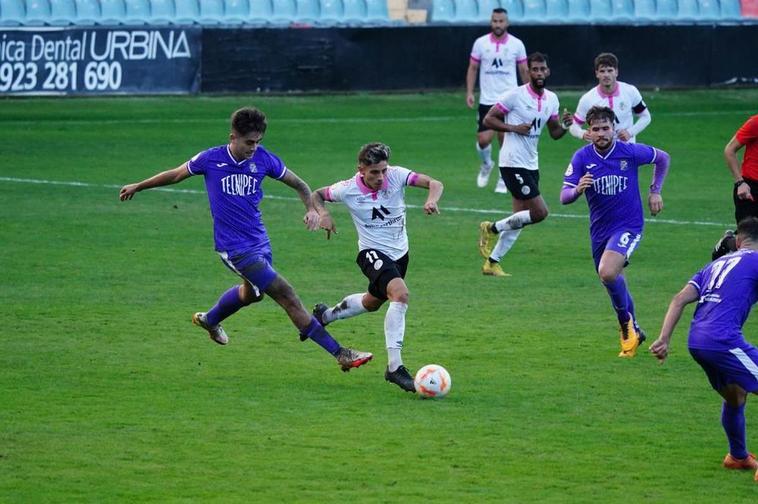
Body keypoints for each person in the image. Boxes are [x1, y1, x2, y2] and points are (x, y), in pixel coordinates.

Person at [119, 107, 373, 372]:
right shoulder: (210, 159)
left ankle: (210, 320)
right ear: (233, 137)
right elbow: (175, 174)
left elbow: (300, 184)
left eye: (258, 142)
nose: (254, 147)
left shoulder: (264, 160)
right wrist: (140, 185)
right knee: (286, 295)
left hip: (260, 241)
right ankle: (340, 352)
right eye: (249, 142)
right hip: (235, 249)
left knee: (252, 294)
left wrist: (312, 209)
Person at [310, 143, 444, 393]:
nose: (380, 177)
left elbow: (435, 183)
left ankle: (324, 315)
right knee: (400, 294)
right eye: (374, 172)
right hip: (371, 253)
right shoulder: (347, 189)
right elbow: (316, 194)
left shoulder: (397, 175)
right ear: (361, 169)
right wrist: (323, 214)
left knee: (373, 302)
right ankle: (395, 368)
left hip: (400, 255)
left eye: (383, 170)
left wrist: (431, 200)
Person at [650, 217, 758, 481]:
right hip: (723, 340)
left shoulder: (714, 264)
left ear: (739, 240)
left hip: (697, 341)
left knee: (735, 396)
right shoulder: (755, 260)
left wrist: (664, 339)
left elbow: (679, 299)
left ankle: (737, 457)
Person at [560, 105, 670, 357]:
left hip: (628, 226)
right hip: (599, 231)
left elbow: (663, 158)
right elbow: (564, 196)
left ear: (614, 129)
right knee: (610, 277)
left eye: (606, 128)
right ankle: (635, 331)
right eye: (596, 129)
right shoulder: (581, 158)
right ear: (589, 131)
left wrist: (655, 190)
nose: (601, 133)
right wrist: (577, 189)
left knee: (608, 272)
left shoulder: (629, 152)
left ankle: (625, 327)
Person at [477, 52, 573, 277]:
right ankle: (490, 228)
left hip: (531, 163)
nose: (539, 73)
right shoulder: (514, 95)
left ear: (547, 71)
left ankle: (492, 263)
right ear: (528, 72)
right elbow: (488, 119)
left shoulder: (552, 99)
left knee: (517, 219)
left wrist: (566, 126)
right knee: (539, 212)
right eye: (535, 69)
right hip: (511, 162)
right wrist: (513, 128)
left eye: (543, 69)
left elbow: (554, 132)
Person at [465, 7, 529, 193]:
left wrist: (527, 95)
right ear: (491, 22)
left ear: (507, 23)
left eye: (501, 21)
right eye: (495, 21)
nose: (498, 24)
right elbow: (473, 68)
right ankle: (486, 164)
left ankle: (503, 176)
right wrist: (470, 92)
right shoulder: (480, 43)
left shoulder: (517, 44)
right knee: (483, 140)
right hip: (487, 100)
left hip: (509, 100)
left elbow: (524, 71)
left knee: (505, 140)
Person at [569, 52, 651, 144]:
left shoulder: (630, 91)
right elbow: (574, 126)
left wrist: (630, 132)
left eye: (610, 70)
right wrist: (582, 134)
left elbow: (646, 117)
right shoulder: (587, 99)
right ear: (597, 74)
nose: (606, 75)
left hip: (626, 150)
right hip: (600, 153)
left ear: (616, 72)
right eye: (602, 71)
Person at [724, 113, 758, 224]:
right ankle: (727, 241)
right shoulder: (755, 122)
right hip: (751, 189)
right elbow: (729, 150)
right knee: (748, 237)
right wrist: (740, 183)